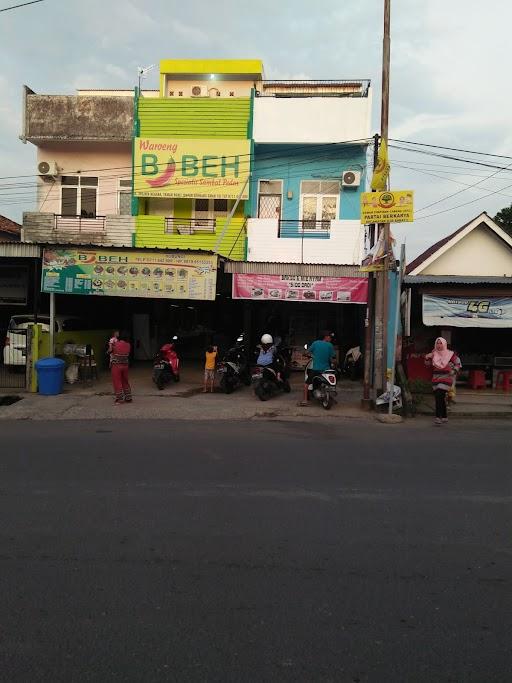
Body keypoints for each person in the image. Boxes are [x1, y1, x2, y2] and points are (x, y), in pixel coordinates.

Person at [425, 337, 461, 425]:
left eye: (441, 343)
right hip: (436, 378)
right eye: (437, 343)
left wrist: (454, 370)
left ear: (444, 344)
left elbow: (458, 362)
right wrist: (427, 358)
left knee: (438, 396)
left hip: (447, 377)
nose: (439, 345)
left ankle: (438, 417)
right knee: (440, 397)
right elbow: (427, 365)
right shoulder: (433, 353)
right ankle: (444, 416)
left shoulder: (449, 354)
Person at [302, 331, 337, 404]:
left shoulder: (315, 343)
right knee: (333, 381)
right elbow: (333, 358)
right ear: (326, 337)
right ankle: (331, 397)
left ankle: (305, 400)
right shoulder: (330, 345)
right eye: (330, 337)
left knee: (306, 384)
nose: (331, 339)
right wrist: (334, 362)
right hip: (327, 370)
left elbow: (306, 352)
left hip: (316, 369)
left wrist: (307, 354)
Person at [110, 331, 132, 404]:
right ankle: (128, 397)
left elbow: (110, 351)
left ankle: (120, 399)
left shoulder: (115, 344)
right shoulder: (128, 345)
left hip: (116, 366)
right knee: (125, 381)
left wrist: (110, 345)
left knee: (117, 382)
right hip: (125, 365)